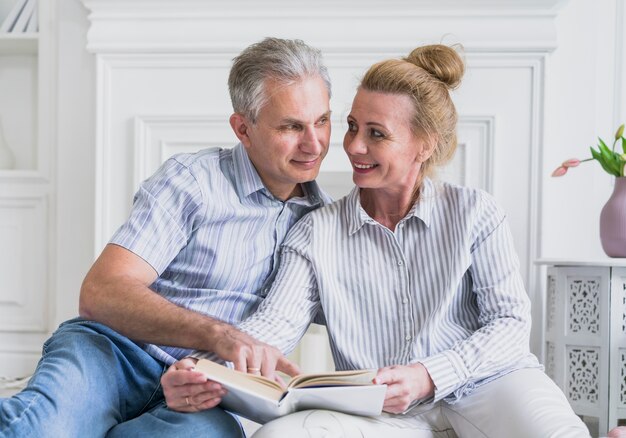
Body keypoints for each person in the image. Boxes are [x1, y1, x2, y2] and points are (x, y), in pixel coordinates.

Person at [163, 44, 591, 437]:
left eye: (377, 133)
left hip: (490, 385)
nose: (354, 146)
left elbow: (511, 325)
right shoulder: (317, 232)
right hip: (381, 413)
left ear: (425, 145)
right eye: (352, 127)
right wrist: (203, 372)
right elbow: (272, 328)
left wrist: (428, 374)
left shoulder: (474, 213)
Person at [0, 37, 331, 438]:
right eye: (292, 126)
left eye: (322, 121)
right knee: (40, 429)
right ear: (243, 128)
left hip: (209, 392)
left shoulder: (325, 223)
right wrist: (219, 336)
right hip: (114, 354)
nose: (314, 144)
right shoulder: (192, 181)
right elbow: (101, 292)